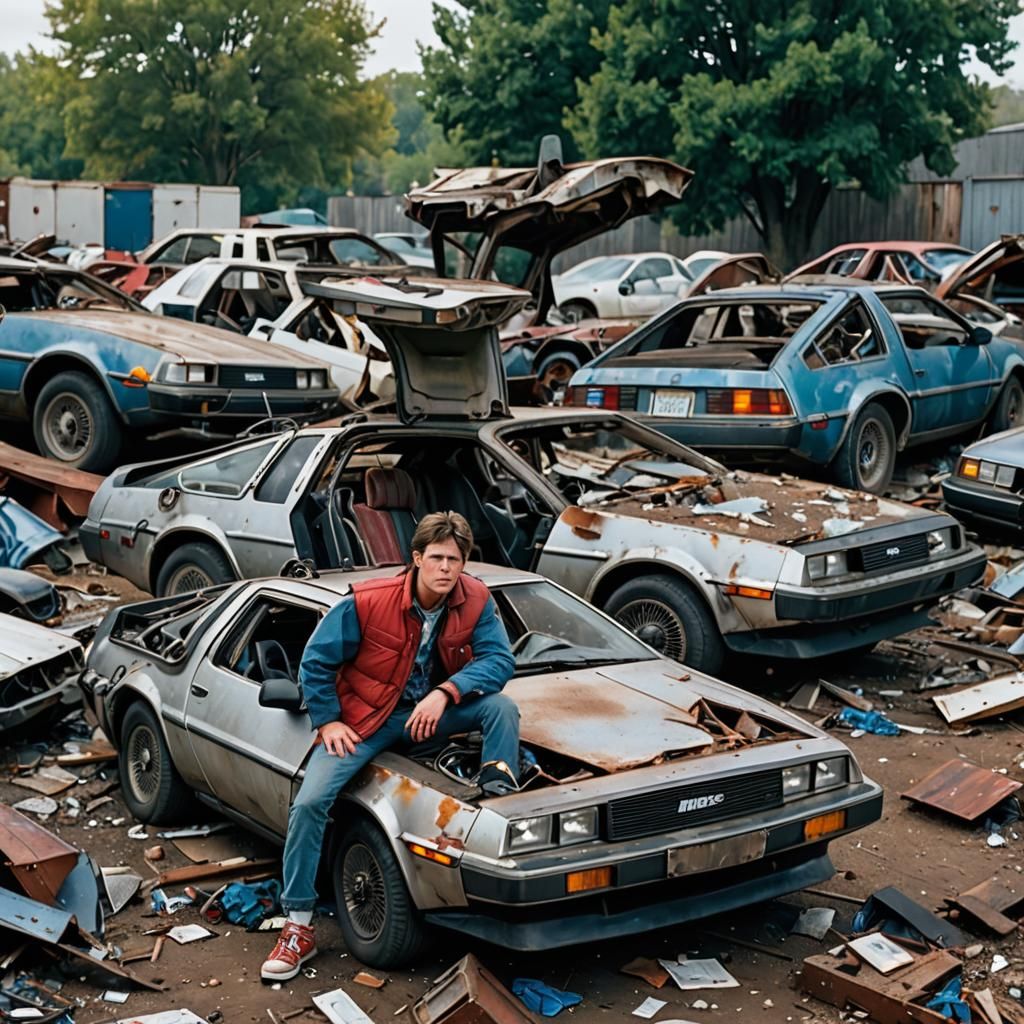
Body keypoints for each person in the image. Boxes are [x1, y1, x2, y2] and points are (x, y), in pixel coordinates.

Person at [261, 511, 519, 981]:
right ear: (417, 558)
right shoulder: (367, 602)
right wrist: (329, 722)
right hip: (366, 722)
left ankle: (500, 796)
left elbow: (501, 661)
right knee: (312, 802)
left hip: (429, 716)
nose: (445, 568)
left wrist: (446, 693)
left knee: (500, 708)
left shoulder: (476, 599)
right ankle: (297, 926)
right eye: (437, 558)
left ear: (465, 564)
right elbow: (314, 663)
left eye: (455, 560)